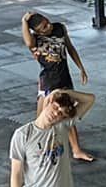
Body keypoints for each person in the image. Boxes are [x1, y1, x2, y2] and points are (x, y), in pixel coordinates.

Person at [23, 12, 95, 163]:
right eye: (43, 27)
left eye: (47, 22)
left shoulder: (59, 28)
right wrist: (24, 20)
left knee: (68, 113)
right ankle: (37, 150)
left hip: (64, 78)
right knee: (42, 119)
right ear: (37, 32)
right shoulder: (35, 40)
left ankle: (76, 150)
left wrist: (81, 67)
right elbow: (28, 43)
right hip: (48, 81)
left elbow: (70, 47)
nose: (48, 26)